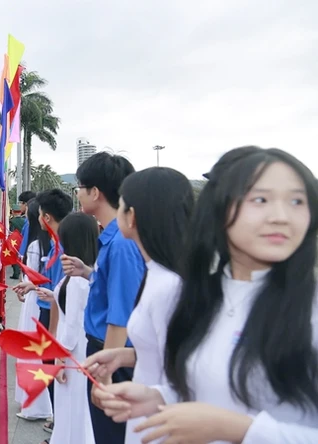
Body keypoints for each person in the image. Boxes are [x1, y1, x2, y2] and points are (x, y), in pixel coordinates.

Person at [94, 147, 318, 442]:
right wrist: (155, 397)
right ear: (218, 210)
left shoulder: (309, 309)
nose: (280, 216)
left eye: (296, 201)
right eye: (260, 199)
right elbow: (204, 387)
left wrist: (238, 429)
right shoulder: (205, 297)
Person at [82, 167, 194, 444]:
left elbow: (187, 369)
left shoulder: (168, 286)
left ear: (131, 217)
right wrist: (124, 356)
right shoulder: (157, 273)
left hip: (158, 416)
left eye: (121, 204)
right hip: (146, 402)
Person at [61, 151, 145, 444]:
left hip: (114, 360)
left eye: (80, 188)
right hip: (108, 354)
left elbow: (121, 316)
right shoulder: (113, 238)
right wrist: (88, 272)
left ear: (95, 192)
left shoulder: (121, 242)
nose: (78, 193)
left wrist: (105, 374)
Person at [12, 189, 73, 434]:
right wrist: (32, 284)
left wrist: (54, 335)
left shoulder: (61, 247)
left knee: (52, 369)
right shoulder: (56, 244)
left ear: (45, 217)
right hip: (48, 310)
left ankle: (59, 422)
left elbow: (59, 293)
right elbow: (51, 283)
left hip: (55, 316)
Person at [36, 212, 98, 444]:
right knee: (73, 408)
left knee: (71, 408)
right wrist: (52, 295)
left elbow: (71, 325)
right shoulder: (83, 275)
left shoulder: (78, 280)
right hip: (76, 351)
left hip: (72, 354)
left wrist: (60, 359)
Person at [12, 198, 53, 422]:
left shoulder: (36, 246)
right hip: (46, 300)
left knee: (30, 352)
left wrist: (24, 287)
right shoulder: (52, 244)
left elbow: (32, 276)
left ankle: (34, 404)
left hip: (35, 300)